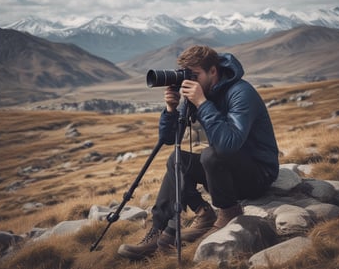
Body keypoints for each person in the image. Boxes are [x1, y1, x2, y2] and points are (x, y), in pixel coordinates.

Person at [118, 45, 279, 260]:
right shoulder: (198, 92)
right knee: (177, 159)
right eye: (187, 75)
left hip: (258, 174)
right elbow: (169, 139)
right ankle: (165, 228)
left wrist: (202, 103)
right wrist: (170, 110)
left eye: (194, 75)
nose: (189, 80)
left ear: (213, 71)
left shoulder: (241, 92)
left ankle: (229, 212)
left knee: (210, 155)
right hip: (228, 171)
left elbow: (228, 145)